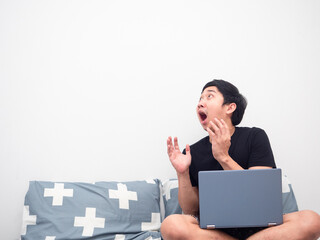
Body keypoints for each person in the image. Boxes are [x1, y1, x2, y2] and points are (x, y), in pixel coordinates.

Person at [161, 79, 320, 240]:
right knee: (170, 225)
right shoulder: (192, 151)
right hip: (215, 232)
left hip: (262, 229)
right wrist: (182, 173)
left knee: (312, 221)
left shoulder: (255, 136)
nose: (200, 103)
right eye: (200, 99)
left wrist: (223, 157)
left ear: (230, 107)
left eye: (209, 96)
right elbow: (191, 210)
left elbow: (260, 195)